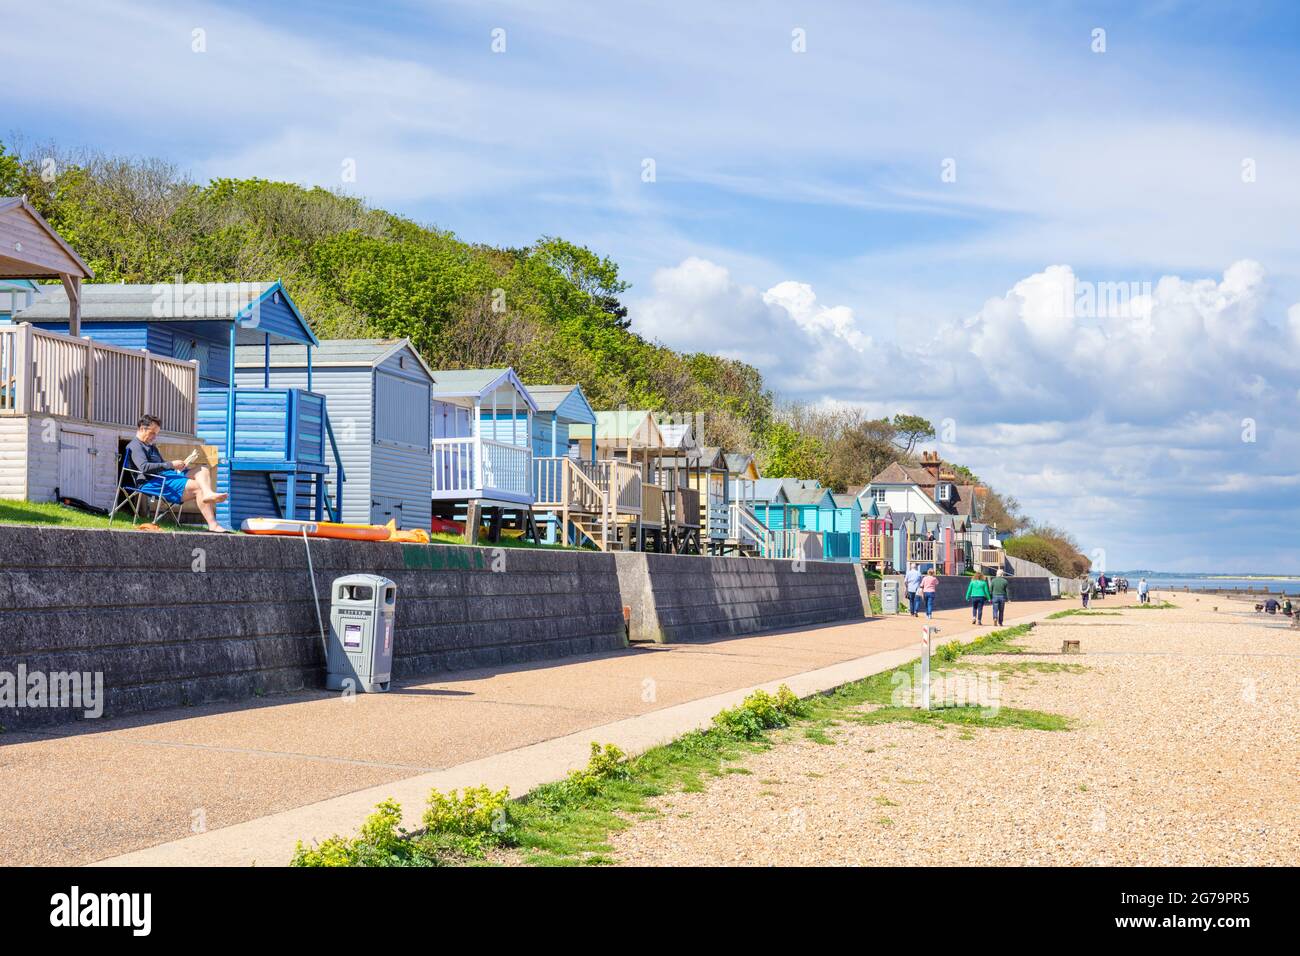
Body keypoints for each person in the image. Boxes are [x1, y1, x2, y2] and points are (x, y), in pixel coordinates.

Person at [124, 415, 230, 532]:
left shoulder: (151, 447)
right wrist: (171, 464)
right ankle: (213, 525)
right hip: (151, 482)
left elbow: (163, 466)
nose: (155, 437)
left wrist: (179, 467)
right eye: (153, 433)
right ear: (142, 429)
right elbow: (144, 467)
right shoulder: (135, 446)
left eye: (157, 433)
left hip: (165, 476)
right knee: (197, 487)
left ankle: (208, 493)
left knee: (203, 469)